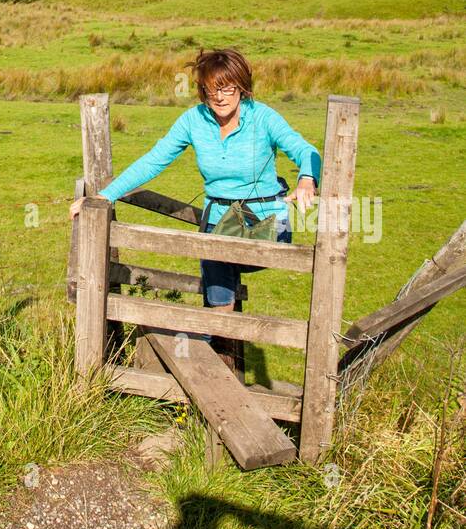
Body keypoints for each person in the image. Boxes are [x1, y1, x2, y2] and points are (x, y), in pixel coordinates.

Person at [69, 47, 321, 352]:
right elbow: (154, 160)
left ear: (242, 86)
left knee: (214, 251)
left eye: (228, 87)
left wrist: (307, 179)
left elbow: (306, 150)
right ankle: (220, 341)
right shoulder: (194, 120)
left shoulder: (263, 116)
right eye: (212, 89)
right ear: (202, 91)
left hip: (267, 223)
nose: (220, 97)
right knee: (213, 249)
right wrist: (103, 197)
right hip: (218, 225)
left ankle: (218, 331)